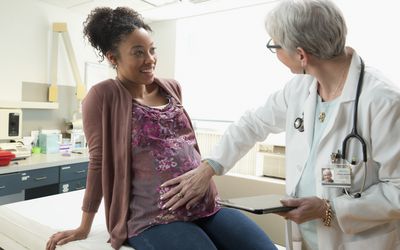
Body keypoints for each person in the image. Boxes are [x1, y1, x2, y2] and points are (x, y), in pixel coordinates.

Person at [160, 0, 400, 249]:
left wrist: (329, 208)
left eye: (274, 45)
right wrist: (209, 167)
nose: (275, 52)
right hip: (306, 237)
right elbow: (252, 123)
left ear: (301, 54)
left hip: (359, 241)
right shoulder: (300, 88)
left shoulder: (382, 101)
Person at [45, 6, 277, 250]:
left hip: (206, 206)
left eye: (152, 50)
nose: (150, 59)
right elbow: (99, 161)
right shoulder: (102, 96)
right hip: (155, 217)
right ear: (113, 58)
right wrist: (84, 226)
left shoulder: (171, 87)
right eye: (138, 53)